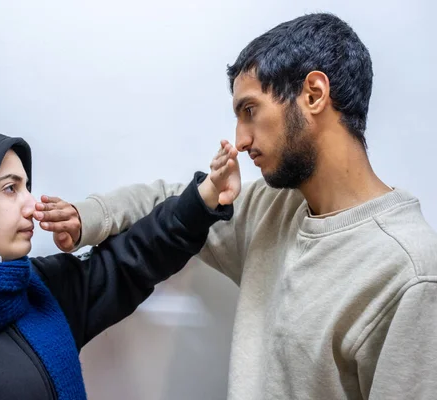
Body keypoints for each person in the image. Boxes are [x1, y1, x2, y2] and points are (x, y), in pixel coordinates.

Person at [36, 13, 437, 399]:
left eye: (250, 111)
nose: (240, 140)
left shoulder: (408, 272)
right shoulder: (271, 209)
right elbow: (169, 203)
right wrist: (89, 215)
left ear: (314, 94)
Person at [0, 126, 234, 400]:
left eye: (26, 186)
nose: (31, 204)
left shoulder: (36, 291)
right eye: (10, 188)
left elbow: (130, 261)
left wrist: (204, 199)